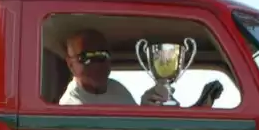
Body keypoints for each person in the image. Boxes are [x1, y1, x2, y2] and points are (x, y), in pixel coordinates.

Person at [58, 29, 224, 108]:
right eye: (86, 58)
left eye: (102, 55)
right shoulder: (72, 106)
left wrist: (147, 107)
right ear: (70, 64)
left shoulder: (116, 88)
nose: (97, 64)